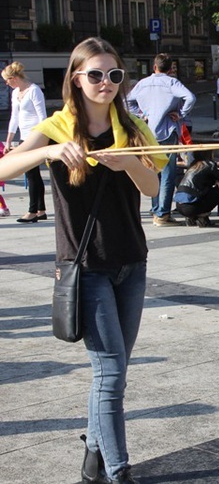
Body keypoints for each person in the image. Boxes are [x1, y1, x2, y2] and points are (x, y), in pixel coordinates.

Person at [0, 37, 165, 484]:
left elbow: (152, 187)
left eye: (114, 75)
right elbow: (4, 167)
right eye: (95, 74)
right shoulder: (57, 125)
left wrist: (125, 164)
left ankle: (94, 452)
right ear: (76, 78)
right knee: (110, 372)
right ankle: (117, 471)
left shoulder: (130, 127)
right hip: (84, 264)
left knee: (115, 374)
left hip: (131, 261)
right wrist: (50, 151)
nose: (106, 83)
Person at [127, 53, 196, 226]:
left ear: (154, 67)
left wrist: (141, 115)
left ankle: (155, 208)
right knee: (167, 172)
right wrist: (180, 113)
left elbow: (127, 101)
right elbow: (190, 97)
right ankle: (163, 214)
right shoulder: (172, 82)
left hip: (148, 131)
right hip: (167, 130)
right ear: (171, 68)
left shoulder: (143, 83)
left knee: (153, 170)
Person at [2, 61, 48, 223]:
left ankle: (32, 211)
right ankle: (41, 209)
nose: (6, 83)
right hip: (23, 137)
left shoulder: (34, 90)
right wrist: (8, 140)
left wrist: (41, 138)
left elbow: (43, 117)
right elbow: (15, 117)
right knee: (34, 175)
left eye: (7, 80)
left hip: (35, 136)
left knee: (31, 174)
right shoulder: (16, 93)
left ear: (14, 78)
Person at [174, 150, 219, 227]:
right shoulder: (209, 165)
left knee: (206, 191)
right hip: (192, 206)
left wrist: (215, 181)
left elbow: (201, 180)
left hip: (179, 205)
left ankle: (191, 217)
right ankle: (201, 215)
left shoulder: (193, 165)